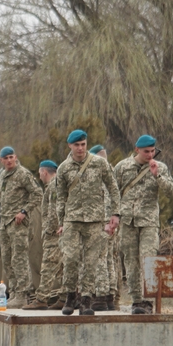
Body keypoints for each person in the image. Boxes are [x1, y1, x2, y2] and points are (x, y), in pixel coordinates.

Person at [55, 130, 121, 316]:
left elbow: (113, 187)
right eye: (77, 145)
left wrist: (115, 213)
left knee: (91, 262)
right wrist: (61, 222)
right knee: (70, 259)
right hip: (72, 220)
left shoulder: (99, 163)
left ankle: (86, 300)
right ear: (70, 146)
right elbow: (60, 197)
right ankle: (70, 296)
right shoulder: (64, 168)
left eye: (83, 144)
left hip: (95, 220)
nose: (81, 148)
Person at [114, 134, 173, 314]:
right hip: (127, 221)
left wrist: (157, 176)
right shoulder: (122, 167)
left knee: (148, 259)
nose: (150, 155)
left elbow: (172, 192)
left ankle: (148, 299)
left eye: (152, 151)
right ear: (137, 150)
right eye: (146, 152)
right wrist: (113, 216)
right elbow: (112, 192)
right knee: (131, 261)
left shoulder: (160, 167)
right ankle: (137, 300)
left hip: (148, 221)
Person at [0, 146, 43, 308]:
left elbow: (37, 194)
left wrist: (24, 211)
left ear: (15, 157)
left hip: (19, 223)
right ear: (1, 160)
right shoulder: (4, 175)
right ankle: (15, 292)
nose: (9, 161)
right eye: (6, 158)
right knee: (7, 259)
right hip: (5, 223)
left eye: (11, 157)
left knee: (19, 258)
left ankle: (24, 293)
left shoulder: (22, 174)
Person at [24, 160, 64, 310]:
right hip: (59, 232)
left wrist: (49, 230)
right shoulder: (57, 185)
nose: (40, 177)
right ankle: (64, 297)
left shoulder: (53, 186)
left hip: (54, 233)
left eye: (40, 173)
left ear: (44, 172)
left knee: (47, 265)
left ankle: (41, 299)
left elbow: (54, 210)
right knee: (61, 268)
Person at [91, 144, 119, 311]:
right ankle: (110, 297)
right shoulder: (112, 172)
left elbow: (104, 200)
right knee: (109, 259)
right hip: (111, 222)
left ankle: (100, 297)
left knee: (100, 259)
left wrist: (105, 223)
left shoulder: (101, 173)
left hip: (103, 222)